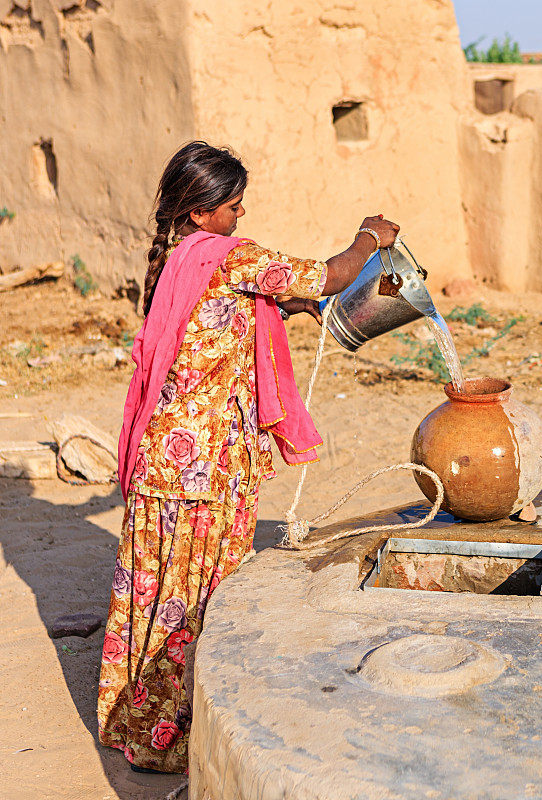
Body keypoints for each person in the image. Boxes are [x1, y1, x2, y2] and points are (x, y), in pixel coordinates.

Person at [97, 141, 399, 773]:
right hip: (206, 463)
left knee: (159, 591)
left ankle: (140, 723)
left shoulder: (178, 257)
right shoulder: (232, 255)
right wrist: (369, 237)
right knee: (200, 597)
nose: (240, 215)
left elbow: (233, 309)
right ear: (200, 212)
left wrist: (283, 304)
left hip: (166, 457)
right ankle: (175, 740)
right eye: (232, 206)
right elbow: (330, 275)